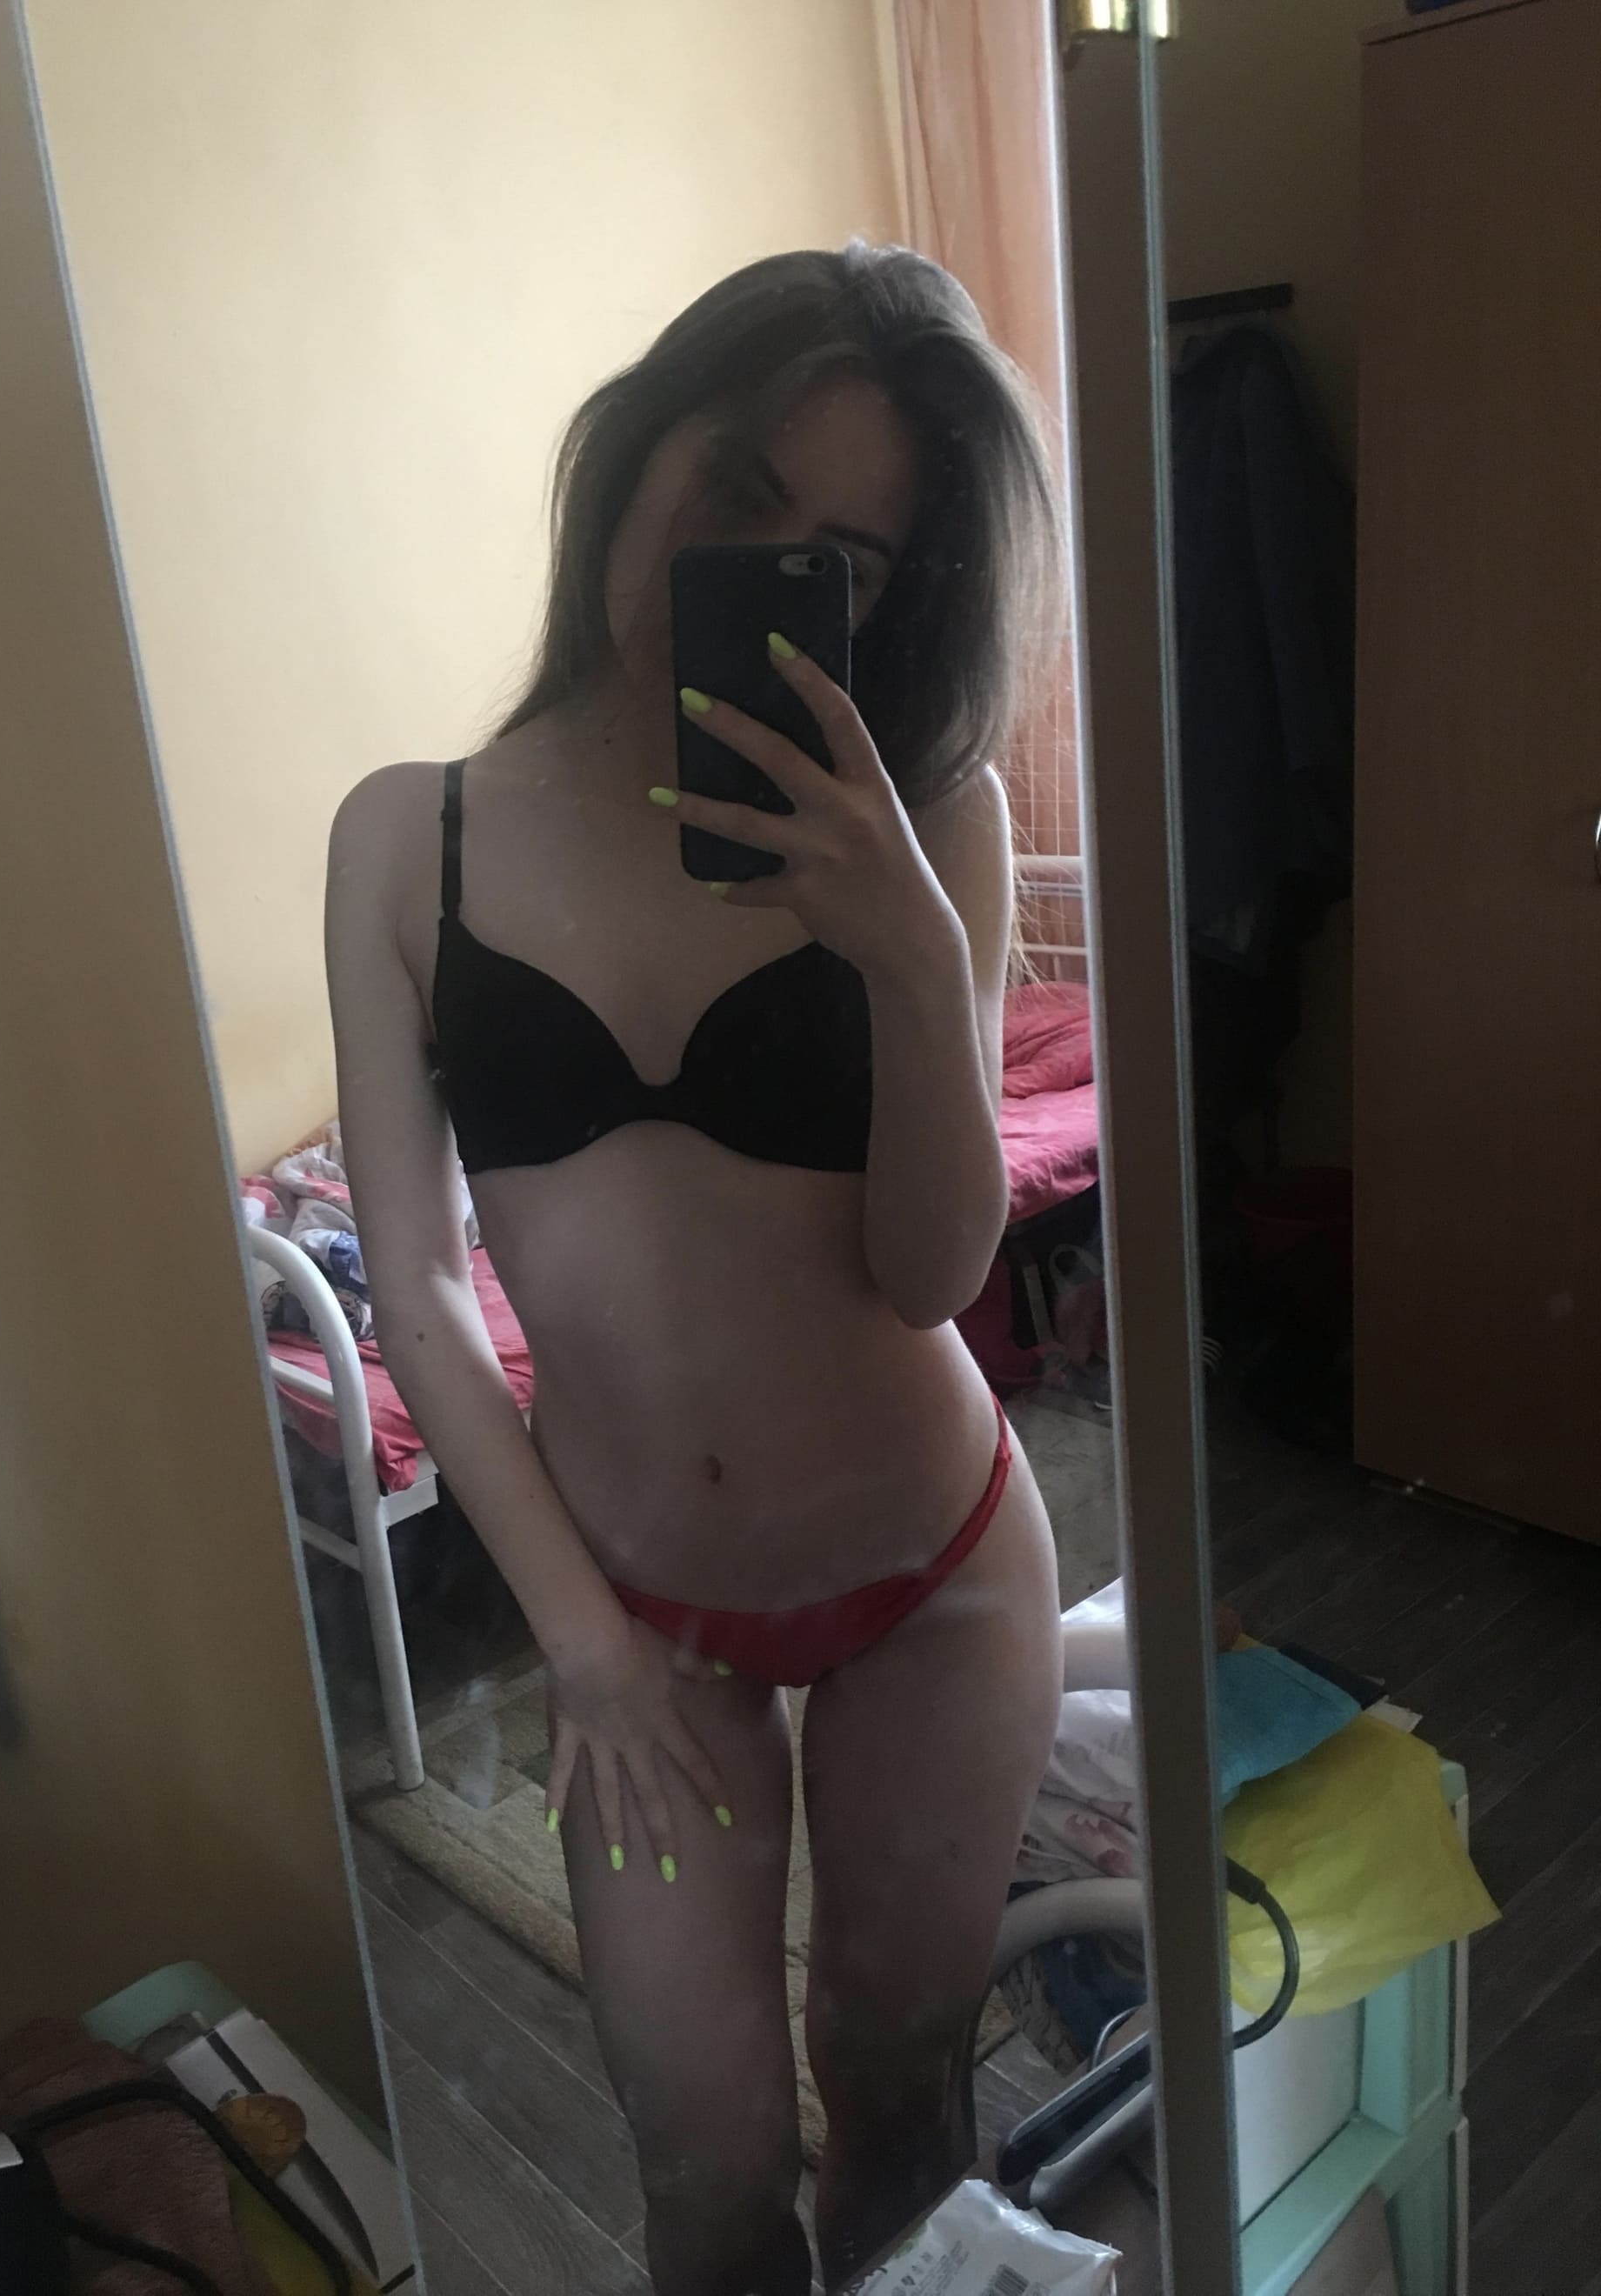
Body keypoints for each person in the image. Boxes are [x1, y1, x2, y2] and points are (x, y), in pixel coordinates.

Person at [325, 241, 1065, 2296]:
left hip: (932, 1575)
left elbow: (930, 1270)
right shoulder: (408, 840)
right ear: (637, 443)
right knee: (708, 2170)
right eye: (737, 482)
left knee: (902, 2090)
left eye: (839, 552)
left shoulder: (929, 819)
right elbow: (419, 1289)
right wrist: (580, 1645)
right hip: (638, 1622)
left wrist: (911, 953)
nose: (757, 559)